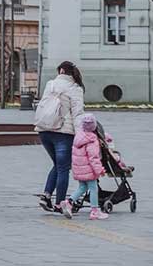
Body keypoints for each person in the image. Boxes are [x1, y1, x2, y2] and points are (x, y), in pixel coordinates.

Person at [36, 61, 85, 215]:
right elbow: (78, 114)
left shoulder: (50, 84)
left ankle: (46, 195)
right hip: (63, 132)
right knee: (63, 168)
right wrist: (81, 136)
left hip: (44, 130)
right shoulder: (75, 88)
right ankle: (59, 203)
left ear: (61, 70)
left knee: (57, 165)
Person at [68, 113, 108, 220]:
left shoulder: (79, 136)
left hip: (79, 168)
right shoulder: (92, 139)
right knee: (93, 188)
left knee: (82, 187)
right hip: (89, 169)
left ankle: (69, 202)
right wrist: (99, 170)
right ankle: (94, 211)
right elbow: (93, 157)